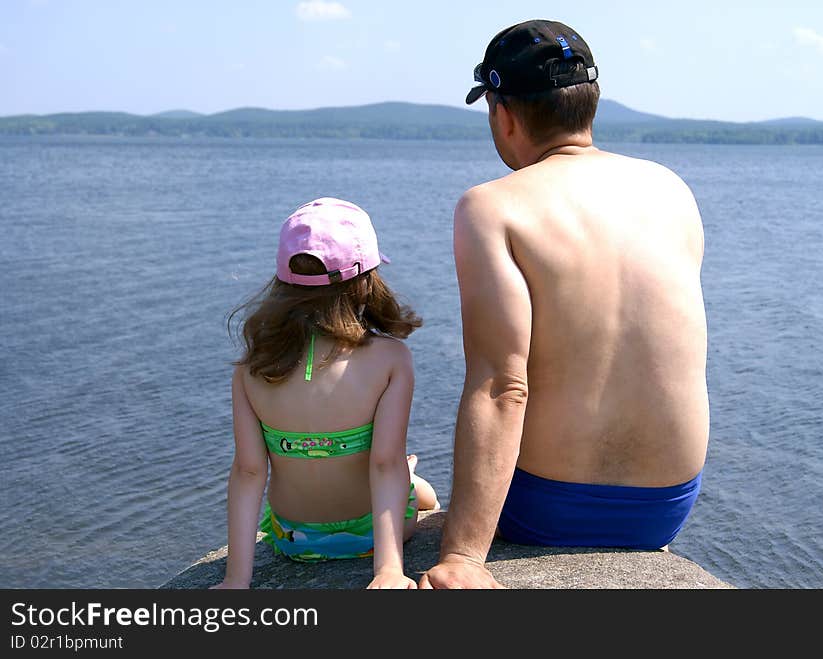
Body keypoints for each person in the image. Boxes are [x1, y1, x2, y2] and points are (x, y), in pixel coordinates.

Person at [419, 19, 710, 589]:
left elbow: (502, 386)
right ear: (589, 104)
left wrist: (462, 557)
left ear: (502, 114)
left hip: (545, 508)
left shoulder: (491, 208)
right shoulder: (672, 189)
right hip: (664, 507)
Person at [212, 197, 439, 590]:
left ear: (283, 282)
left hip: (295, 539)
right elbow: (385, 466)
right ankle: (416, 482)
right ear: (367, 278)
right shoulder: (390, 359)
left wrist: (236, 580)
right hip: (372, 535)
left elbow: (248, 472)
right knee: (422, 491)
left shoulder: (251, 368)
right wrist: (388, 572)